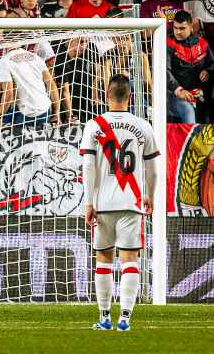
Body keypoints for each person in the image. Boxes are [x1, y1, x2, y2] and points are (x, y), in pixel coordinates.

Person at [80, 74, 159, 332]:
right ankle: (124, 319)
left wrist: (89, 203)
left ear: (106, 95)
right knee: (129, 260)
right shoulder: (143, 125)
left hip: (103, 204)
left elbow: (88, 165)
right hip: (131, 202)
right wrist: (150, 195)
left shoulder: (94, 126)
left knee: (103, 259)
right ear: (130, 97)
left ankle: (104, 317)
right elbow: (153, 170)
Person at [0, 43, 60, 129]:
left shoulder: (3, 62)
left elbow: (9, 93)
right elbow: (51, 84)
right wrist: (57, 112)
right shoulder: (35, 57)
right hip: (45, 109)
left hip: (27, 113)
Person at [167, 10, 214, 123]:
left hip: (201, 95)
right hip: (176, 96)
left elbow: (212, 64)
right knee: (188, 112)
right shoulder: (167, 44)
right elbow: (164, 71)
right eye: (175, 28)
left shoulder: (202, 44)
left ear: (191, 27)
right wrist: (179, 90)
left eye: (182, 28)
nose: (177, 32)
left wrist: (208, 71)